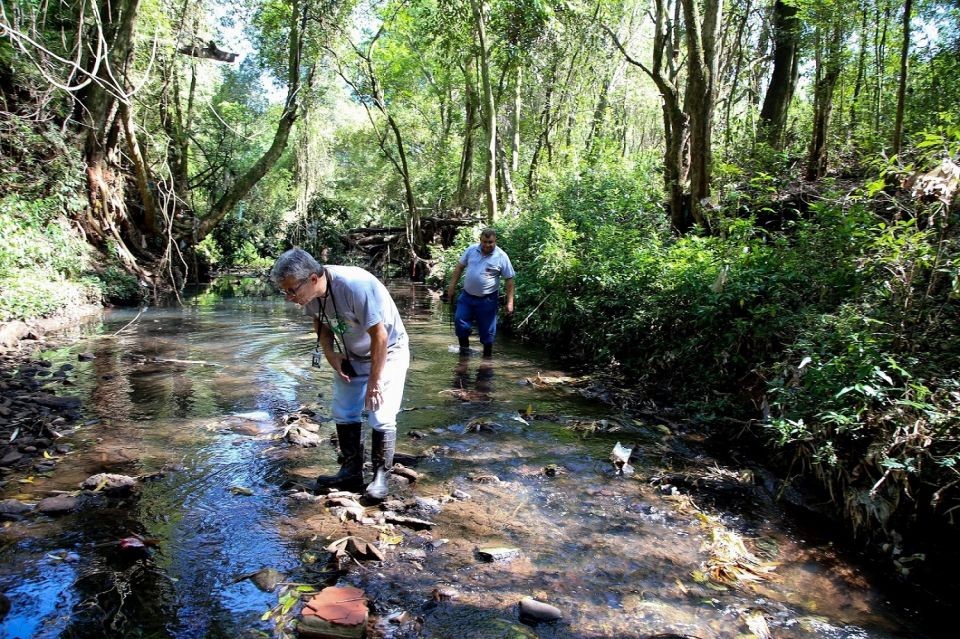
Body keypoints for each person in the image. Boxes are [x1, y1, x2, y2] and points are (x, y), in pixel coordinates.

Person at [271, 248, 409, 500]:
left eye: (292, 290)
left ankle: (380, 477)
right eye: (285, 291)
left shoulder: (354, 286)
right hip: (352, 353)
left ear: (313, 279)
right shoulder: (309, 295)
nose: (290, 297)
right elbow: (321, 325)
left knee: (381, 413)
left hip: (388, 351)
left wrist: (375, 383)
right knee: (344, 410)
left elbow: (380, 335)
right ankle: (351, 472)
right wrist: (332, 355)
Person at [445, 228, 515, 358]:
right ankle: (464, 355)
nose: (487, 245)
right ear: (480, 240)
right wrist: (451, 287)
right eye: (484, 241)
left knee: (487, 333)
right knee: (460, 322)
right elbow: (459, 267)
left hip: (487, 300)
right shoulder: (471, 250)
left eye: (490, 242)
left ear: (495, 241)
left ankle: (486, 360)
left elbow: (509, 279)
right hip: (467, 297)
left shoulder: (501, 256)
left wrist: (510, 302)